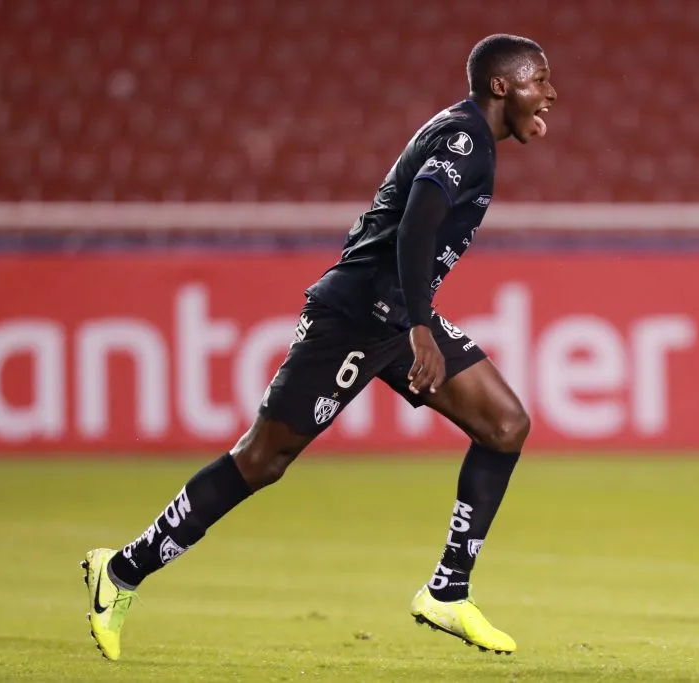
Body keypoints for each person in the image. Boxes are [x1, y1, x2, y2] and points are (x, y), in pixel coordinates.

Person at [82, 32, 556, 661]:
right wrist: (420, 324)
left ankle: (447, 591)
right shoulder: (465, 142)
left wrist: (413, 318)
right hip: (358, 316)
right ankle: (120, 572)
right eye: (539, 80)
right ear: (502, 85)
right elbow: (416, 224)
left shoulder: (465, 134)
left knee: (504, 424)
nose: (550, 93)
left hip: (395, 315)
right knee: (262, 459)